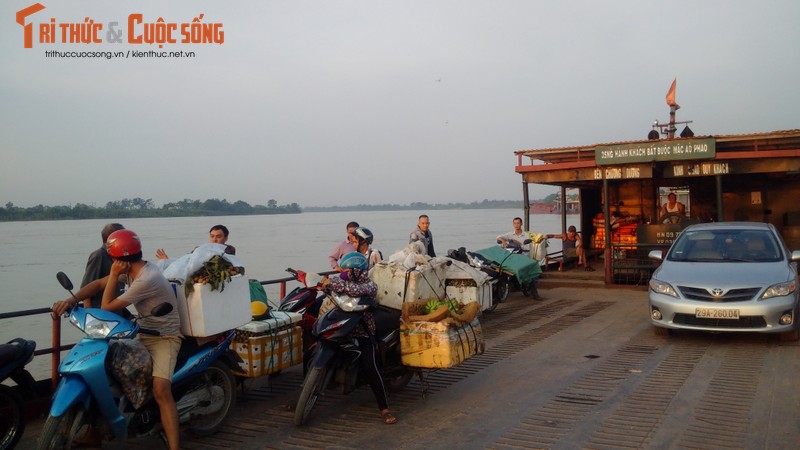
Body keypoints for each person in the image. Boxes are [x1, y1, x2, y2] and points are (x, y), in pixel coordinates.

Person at [52, 230, 182, 449]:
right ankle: (96, 432)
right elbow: (97, 285)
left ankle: (174, 446)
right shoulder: (132, 268)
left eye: (112, 257)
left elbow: (106, 307)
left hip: (165, 337)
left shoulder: (146, 278)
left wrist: (113, 275)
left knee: (161, 389)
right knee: (102, 373)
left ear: (117, 260)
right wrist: (70, 300)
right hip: (140, 331)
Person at [321, 252, 397, 425]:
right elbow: (335, 284)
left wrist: (332, 283)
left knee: (371, 366)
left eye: (348, 269)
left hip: (363, 330)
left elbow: (355, 290)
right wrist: (322, 283)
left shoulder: (370, 286)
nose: (344, 271)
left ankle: (384, 407)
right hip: (345, 325)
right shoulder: (342, 280)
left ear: (357, 270)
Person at [79, 223, 132, 319]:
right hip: (100, 311)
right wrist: (90, 313)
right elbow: (86, 287)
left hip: (115, 308)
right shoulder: (99, 256)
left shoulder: (120, 256)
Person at [156, 224, 235, 260]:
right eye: (212, 236)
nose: (214, 240)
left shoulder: (229, 249)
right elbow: (186, 259)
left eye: (218, 237)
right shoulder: (200, 249)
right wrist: (168, 260)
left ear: (226, 238)